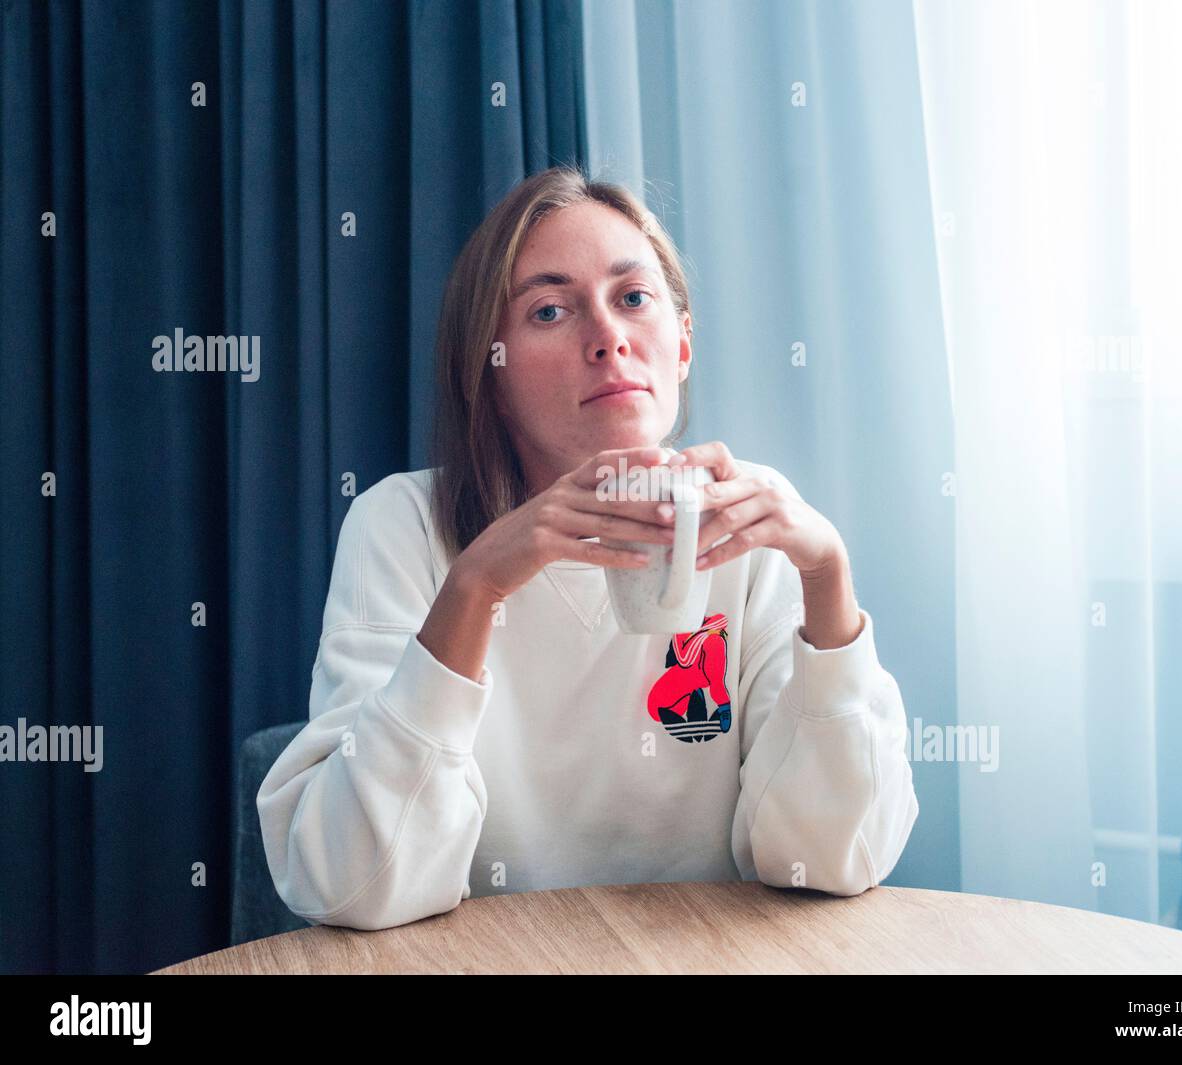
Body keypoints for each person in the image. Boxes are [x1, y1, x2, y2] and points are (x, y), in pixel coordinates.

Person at [257, 165, 919, 931]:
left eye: (633, 298)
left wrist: (827, 580)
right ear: (489, 371)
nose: (608, 337)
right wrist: (474, 587)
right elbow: (353, 882)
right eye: (549, 311)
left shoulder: (754, 524)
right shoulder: (403, 526)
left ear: (681, 346)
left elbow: (832, 860)